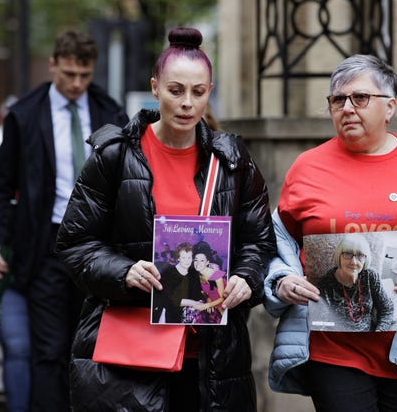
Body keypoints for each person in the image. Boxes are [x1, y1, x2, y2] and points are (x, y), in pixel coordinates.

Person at [55, 27, 276, 411]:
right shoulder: (114, 156)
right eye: (176, 90)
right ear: (155, 87)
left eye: (199, 91)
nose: (188, 103)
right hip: (131, 354)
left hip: (212, 358)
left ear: (210, 91)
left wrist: (246, 278)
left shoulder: (232, 162)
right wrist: (123, 272)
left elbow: (258, 242)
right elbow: (75, 243)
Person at [263, 54, 397, 411]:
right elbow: (273, 245)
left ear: (389, 106)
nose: (347, 108)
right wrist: (281, 280)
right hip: (333, 349)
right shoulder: (307, 167)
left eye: (360, 98)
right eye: (338, 99)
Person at [0, 30, 129, 412]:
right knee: (48, 351)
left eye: (85, 75)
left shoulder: (110, 112)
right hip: (44, 246)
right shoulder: (24, 115)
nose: (77, 83)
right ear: (52, 66)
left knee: (93, 348)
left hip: (98, 245)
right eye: (68, 74)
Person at [311, 233, 394, 332]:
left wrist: (380, 331)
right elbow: (321, 324)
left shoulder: (370, 277)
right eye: (347, 254)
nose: (354, 262)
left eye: (360, 255)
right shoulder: (326, 284)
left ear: (365, 259)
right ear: (339, 256)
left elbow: (387, 309)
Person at [151, 241, 203, 324]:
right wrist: (193, 303)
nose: (187, 261)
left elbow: (198, 294)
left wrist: (201, 301)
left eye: (189, 257)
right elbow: (168, 299)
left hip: (189, 316)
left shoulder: (194, 273)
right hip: (170, 316)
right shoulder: (168, 272)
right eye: (184, 258)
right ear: (178, 258)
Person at [188, 240, 227, 323]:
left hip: (225, 306)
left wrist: (207, 305)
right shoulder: (198, 275)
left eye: (202, 260)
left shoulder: (216, 274)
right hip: (212, 306)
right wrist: (209, 299)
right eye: (196, 260)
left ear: (207, 262)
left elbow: (223, 298)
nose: (198, 263)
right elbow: (205, 292)